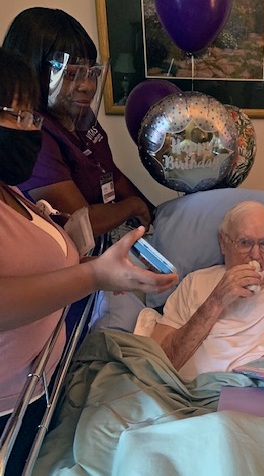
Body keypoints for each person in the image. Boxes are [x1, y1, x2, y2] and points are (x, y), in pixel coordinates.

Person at [0, 47, 178, 475]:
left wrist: (96, 267)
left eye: (32, 117)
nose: (30, 129)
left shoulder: (12, 191)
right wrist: (93, 274)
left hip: (40, 384)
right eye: (15, 115)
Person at [146, 201, 264, 413]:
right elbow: (158, 364)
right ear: (223, 243)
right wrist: (216, 300)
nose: (256, 255)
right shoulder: (196, 283)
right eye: (244, 243)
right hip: (196, 397)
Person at [2, 7, 154, 238]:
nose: (88, 86)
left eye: (90, 73)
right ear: (33, 71)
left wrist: (153, 212)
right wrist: (132, 207)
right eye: (72, 74)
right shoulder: (31, 134)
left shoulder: (80, 117)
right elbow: (78, 221)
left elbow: (112, 174)